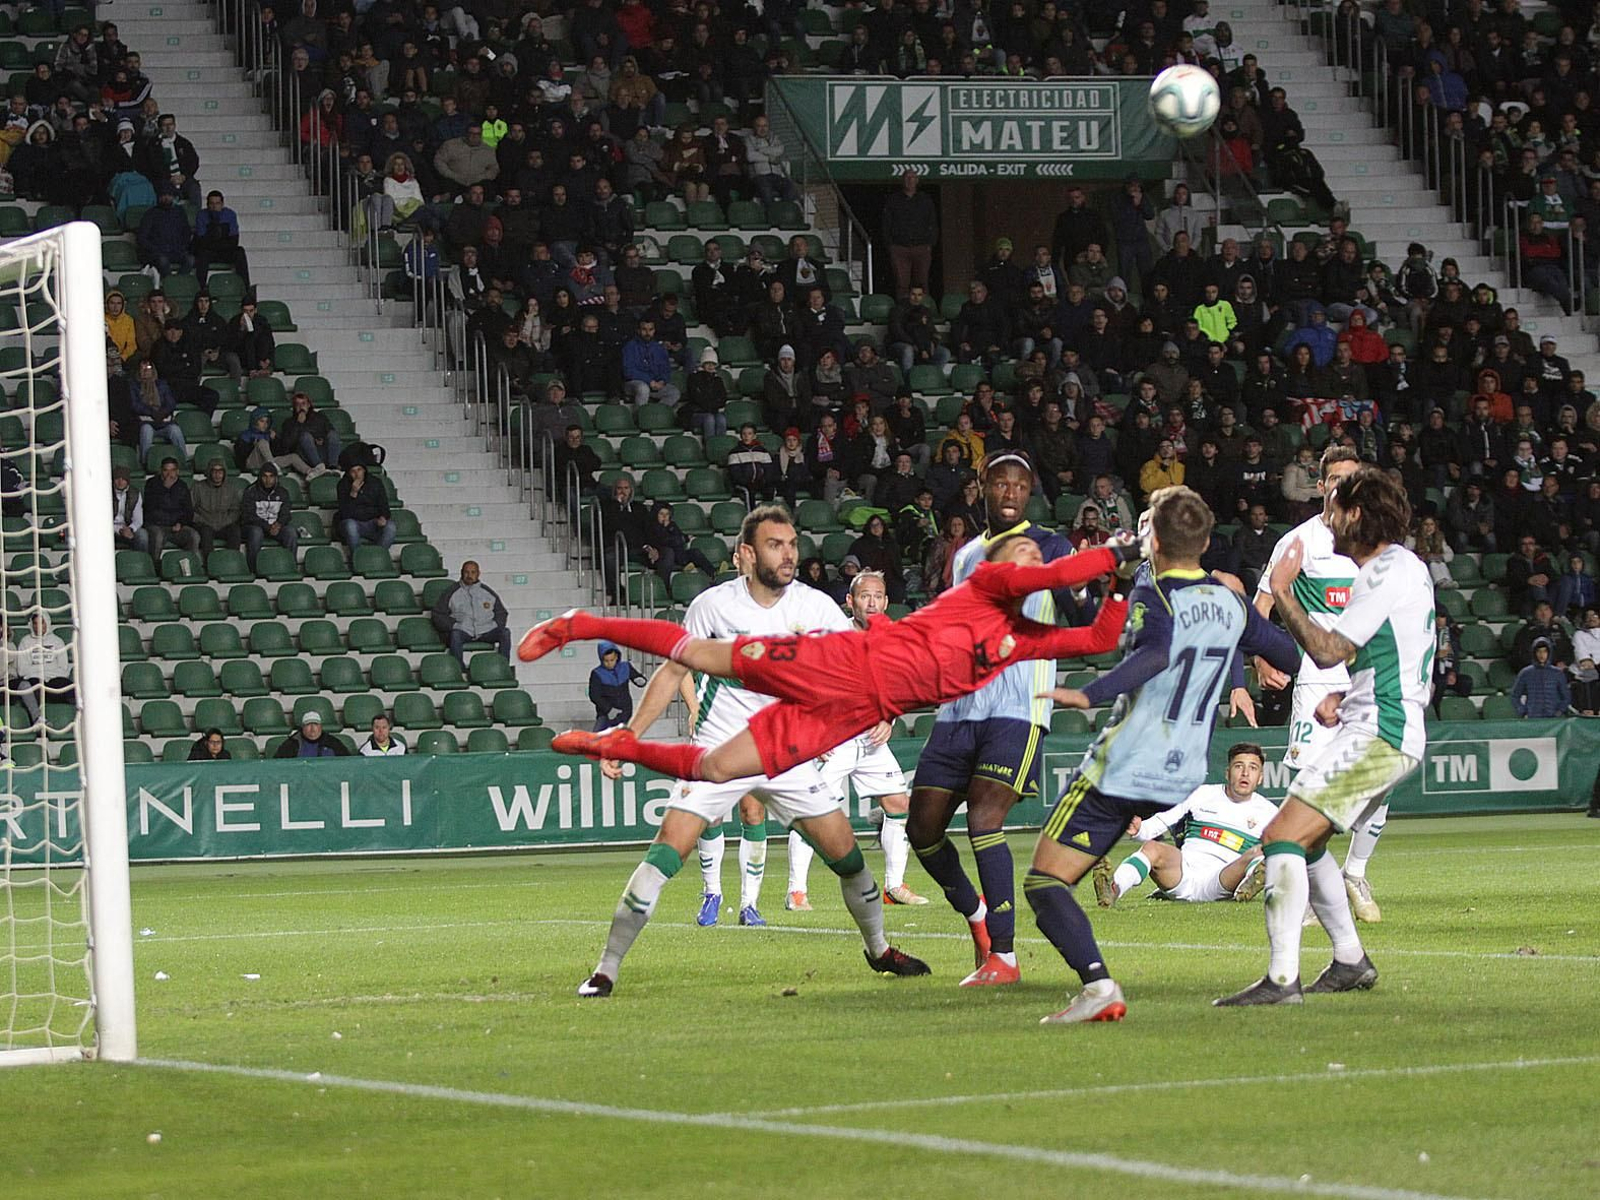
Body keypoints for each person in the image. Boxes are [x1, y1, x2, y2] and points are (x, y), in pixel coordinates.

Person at [568, 507, 934, 995]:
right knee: (664, 853)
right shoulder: (712, 606)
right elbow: (673, 672)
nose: (788, 554)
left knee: (848, 860)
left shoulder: (816, 607)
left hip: (787, 753)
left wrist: (881, 711)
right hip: (718, 753)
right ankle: (606, 969)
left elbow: (858, 669)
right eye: (775, 545)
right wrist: (629, 735)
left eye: (792, 544)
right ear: (745, 554)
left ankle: (878, 948)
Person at [528, 525, 1135, 796]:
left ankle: (616, 746)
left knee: (716, 770)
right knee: (703, 655)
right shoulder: (987, 583)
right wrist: (1113, 551)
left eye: (1035, 550)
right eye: (1022, 548)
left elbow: (1097, 641)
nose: (1031, 557)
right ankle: (578, 624)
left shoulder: (1025, 637)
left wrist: (1119, 582)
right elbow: (1062, 570)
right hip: (842, 663)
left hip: (855, 710)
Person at [1025, 486, 1300, 1023]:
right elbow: (1288, 653)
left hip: (1126, 764)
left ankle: (1099, 986)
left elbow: (1152, 652)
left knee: (1045, 883)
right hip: (1183, 773)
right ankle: (1121, 859)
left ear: (1153, 537)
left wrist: (1091, 693)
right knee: (1103, 842)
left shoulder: (1155, 594)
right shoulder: (1231, 601)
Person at [1217, 467, 1432, 1007]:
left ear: (1355, 514)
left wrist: (1283, 591)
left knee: (1280, 837)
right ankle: (1349, 960)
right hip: (1374, 720)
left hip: (1383, 732)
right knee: (1307, 841)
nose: (1326, 516)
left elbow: (1327, 651)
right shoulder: (1396, 568)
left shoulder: (1384, 571)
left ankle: (1283, 979)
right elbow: (1386, 649)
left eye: (1334, 507)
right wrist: (1349, 695)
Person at [1251, 446, 1384, 923]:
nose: (1342, 486)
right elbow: (1260, 607)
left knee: (1377, 785)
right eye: (1334, 478)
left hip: (1368, 675)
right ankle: (1307, 892)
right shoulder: (1299, 541)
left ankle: (1355, 872)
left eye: (1352, 478)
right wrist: (1260, 656)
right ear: (1322, 484)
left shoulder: (1375, 543)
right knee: (1309, 785)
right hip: (1318, 674)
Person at [784, 571, 928, 911]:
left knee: (898, 805)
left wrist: (889, 718)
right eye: (865, 596)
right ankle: (796, 892)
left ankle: (894, 886)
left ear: (887, 602)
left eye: (878, 596)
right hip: (834, 737)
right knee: (813, 812)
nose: (873, 602)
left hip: (871, 739)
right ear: (850, 602)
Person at [1093, 743, 1279, 906]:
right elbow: (1162, 820)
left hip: (1222, 880)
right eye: (1239, 766)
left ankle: (1245, 888)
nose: (1245, 773)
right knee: (1152, 847)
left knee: (1263, 852)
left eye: (1253, 768)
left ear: (1261, 777)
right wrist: (1139, 829)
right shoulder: (1200, 794)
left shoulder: (1270, 813)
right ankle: (1112, 890)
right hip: (1183, 873)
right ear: (1227, 772)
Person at [432, 559, 512, 663]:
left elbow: (501, 612)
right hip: (464, 631)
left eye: (473, 572)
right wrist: (454, 625)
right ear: (461, 573)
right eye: (466, 572)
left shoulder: (487, 592)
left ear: (478, 573)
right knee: (455, 635)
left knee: (505, 633)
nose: (469, 575)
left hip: (486, 630)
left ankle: (503, 666)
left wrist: (495, 625)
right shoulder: (451, 592)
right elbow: (438, 614)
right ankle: (459, 670)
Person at [882, 167, 937, 298]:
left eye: (912, 178)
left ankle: (923, 312)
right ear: (903, 181)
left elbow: (933, 223)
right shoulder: (893, 200)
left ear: (917, 180)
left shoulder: (925, 200)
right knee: (902, 283)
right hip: (899, 247)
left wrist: (930, 244)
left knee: (922, 282)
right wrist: (891, 245)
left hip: (921, 247)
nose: (910, 181)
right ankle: (903, 312)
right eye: (907, 178)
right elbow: (886, 223)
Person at [13, 612, 74, 726]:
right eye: (35, 623)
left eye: (41, 622)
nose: (38, 626)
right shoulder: (25, 642)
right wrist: (46, 670)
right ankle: (37, 721)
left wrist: (40, 670)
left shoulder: (57, 641)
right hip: (35, 681)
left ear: (47, 623)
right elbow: (22, 670)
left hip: (54, 681)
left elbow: (63, 669)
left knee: (67, 685)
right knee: (31, 685)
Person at [240, 463, 298, 569]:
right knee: (256, 532)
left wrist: (279, 524)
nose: (268, 480)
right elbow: (248, 515)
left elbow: (286, 513)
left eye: (271, 476)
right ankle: (253, 569)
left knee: (291, 532)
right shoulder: (251, 491)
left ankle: (291, 566)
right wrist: (267, 526)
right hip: (255, 526)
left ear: (276, 478)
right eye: (265, 476)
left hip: (276, 526)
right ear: (260, 477)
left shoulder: (283, 492)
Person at [142, 456, 199, 561]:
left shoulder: (182, 486)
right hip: (157, 526)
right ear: (161, 471)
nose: (169, 474)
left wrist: (180, 523)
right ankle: (154, 568)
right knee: (158, 536)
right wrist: (165, 489)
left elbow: (188, 511)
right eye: (166, 470)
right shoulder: (151, 484)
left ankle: (190, 565)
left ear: (177, 471)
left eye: (172, 470)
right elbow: (149, 509)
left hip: (176, 527)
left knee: (193, 536)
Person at [335, 462, 395, 559]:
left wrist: (383, 517)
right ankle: (359, 558)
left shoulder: (375, 483)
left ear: (364, 471)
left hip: (373, 523)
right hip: (354, 523)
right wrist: (353, 493)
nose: (357, 474)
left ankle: (377, 557)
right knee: (350, 525)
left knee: (390, 527)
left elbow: (385, 507)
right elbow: (344, 514)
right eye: (353, 471)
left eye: (359, 470)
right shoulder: (343, 485)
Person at [589, 640, 646, 731]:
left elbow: (636, 677)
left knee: (626, 738)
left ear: (617, 657)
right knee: (597, 738)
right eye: (606, 661)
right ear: (601, 659)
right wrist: (609, 709)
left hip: (625, 712)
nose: (609, 663)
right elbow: (594, 695)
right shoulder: (597, 673)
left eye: (612, 660)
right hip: (605, 714)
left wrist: (640, 680)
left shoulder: (626, 667)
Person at [192, 459, 243, 558]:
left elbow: (235, 510)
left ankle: (232, 561)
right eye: (214, 471)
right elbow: (190, 510)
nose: (217, 474)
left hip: (224, 524)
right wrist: (203, 521)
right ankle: (209, 565)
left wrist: (225, 521)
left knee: (235, 531)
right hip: (204, 524)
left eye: (220, 471)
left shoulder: (231, 488)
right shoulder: (198, 487)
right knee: (206, 533)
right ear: (209, 472)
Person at [1512, 638, 1572, 717]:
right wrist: (1523, 712)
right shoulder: (1526, 673)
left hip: (1553, 719)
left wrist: (1559, 711)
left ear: (1549, 653)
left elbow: (1566, 697)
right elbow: (1515, 695)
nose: (1541, 655)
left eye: (1545, 651)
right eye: (1538, 651)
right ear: (1534, 653)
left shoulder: (1557, 673)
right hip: (1533, 717)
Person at [273, 711, 352, 758]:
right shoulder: (291, 745)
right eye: (308, 725)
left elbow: (348, 763)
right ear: (303, 727)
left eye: (315, 724)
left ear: (320, 727)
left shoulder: (333, 743)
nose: (312, 729)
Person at [111, 463, 147, 552]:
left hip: (128, 528)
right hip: (110, 529)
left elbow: (138, 520)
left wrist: (130, 529)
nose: (120, 482)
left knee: (142, 535)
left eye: (123, 479)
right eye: (117, 479)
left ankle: (140, 562)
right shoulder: (105, 492)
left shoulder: (135, 494)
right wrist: (119, 530)